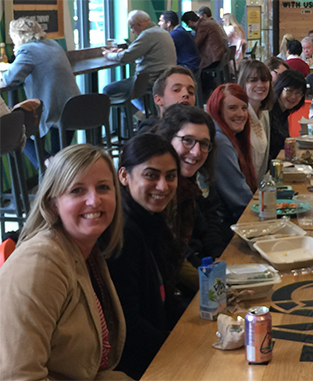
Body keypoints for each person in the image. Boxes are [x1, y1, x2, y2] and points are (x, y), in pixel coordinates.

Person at [0, 144, 127, 379]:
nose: (94, 201)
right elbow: (16, 376)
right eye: (77, 190)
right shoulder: (41, 262)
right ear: (53, 203)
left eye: (103, 187)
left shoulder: (85, 251)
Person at [107, 133, 181, 379]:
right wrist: (179, 347)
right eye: (151, 175)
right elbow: (128, 323)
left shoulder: (150, 219)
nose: (163, 186)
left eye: (171, 176)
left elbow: (166, 295)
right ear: (124, 176)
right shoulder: (124, 234)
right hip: (138, 364)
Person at [1, 17, 81, 168]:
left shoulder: (27, 50)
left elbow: (10, 79)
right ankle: (51, 166)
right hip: (73, 109)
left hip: (52, 112)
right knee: (58, 160)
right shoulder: (53, 44)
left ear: (18, 36)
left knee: (17, 132)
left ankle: (45, 164)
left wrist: (17, 53)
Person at [152, 104, 227, 258]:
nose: (196, 152)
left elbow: (211, 220)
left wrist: (219, 258)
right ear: (167, 138)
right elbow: (174, 250)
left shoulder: (199, 177)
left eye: (204, 144)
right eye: (187, 140)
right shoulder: (158, 189)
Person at [103, 10, 176, 111]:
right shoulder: (162, 32)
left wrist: (109, 55)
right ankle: (144, 115)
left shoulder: (148, 34)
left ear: (139, 24)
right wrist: (122, 52)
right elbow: (137, 52)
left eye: (132, 27)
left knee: (108, 90)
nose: (132, 31)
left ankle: (143, 115)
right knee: (134, 93)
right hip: (162, 77)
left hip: (148, 81)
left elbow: (126, 57)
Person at [206, 84, 256, 229]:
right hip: (224, 228)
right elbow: (240, 198)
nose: (240, 114)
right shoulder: (220, 142)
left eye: (244, 108)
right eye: (232, 108)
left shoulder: (226, 136)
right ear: (218, 110)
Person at [237, 59, 273, 184]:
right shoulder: (239, 116)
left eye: (264, 80)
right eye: (253, 80)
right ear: (243, 83)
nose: (260, 85)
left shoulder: (264, 114)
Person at [182, 11, 228, 100]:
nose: (189, 27)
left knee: (196, 71)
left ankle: (203, 97)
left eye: (187, 24)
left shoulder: (203, 26)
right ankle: (208, 93)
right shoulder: (207, 22)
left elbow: (196, 43)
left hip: (213, 58)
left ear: (190, 21)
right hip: (218, 55)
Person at [137, 66, 197, 133]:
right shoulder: (148, 134)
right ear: (158, 99)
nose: (186, 94)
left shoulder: (201, 130)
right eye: (176, 90)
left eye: (191, 92)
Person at [269, 70, 307, 161]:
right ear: (280, 88)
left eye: (298, 93)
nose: (293, 97)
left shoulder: (284, 112)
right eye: (289, 91)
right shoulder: (269, 112)